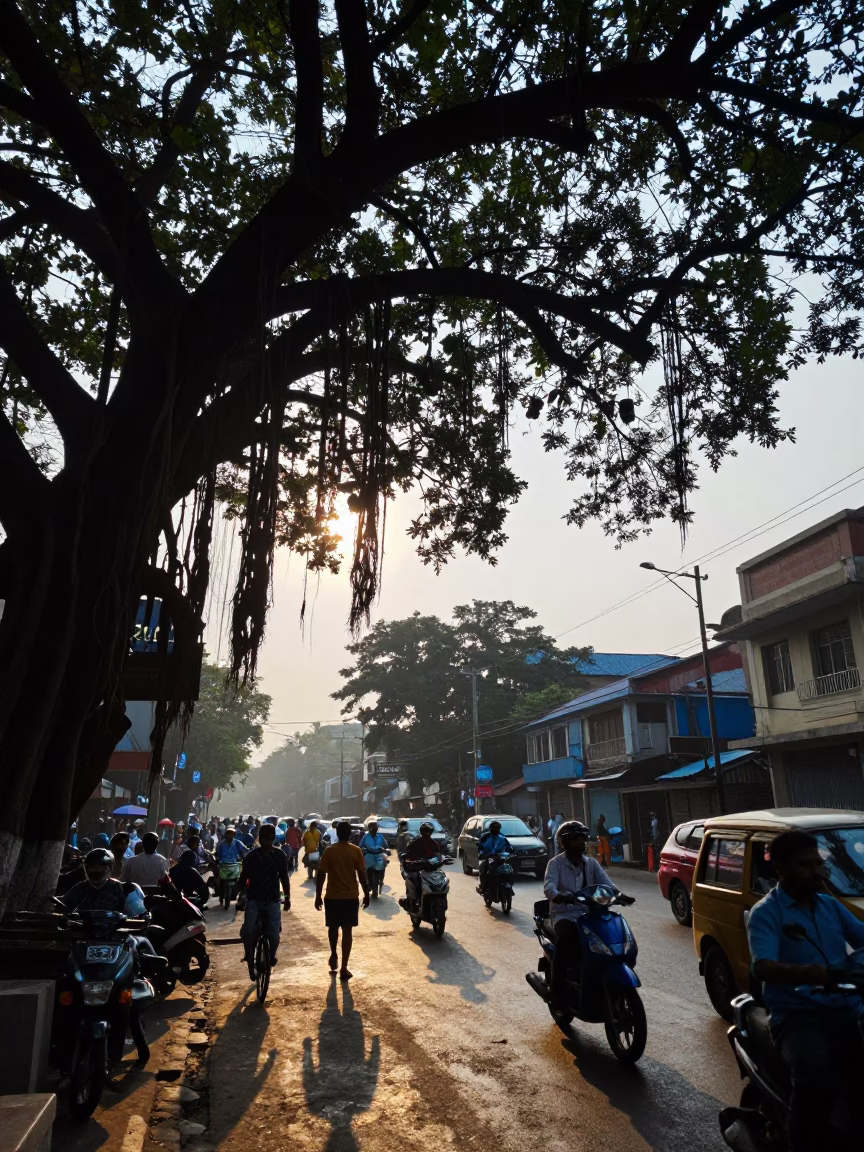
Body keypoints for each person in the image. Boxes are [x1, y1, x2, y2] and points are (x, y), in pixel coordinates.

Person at [747, 830, 864, 1152]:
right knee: (815, 1078)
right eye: (804, 865)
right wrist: (810, 973)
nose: (815, 871)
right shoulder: (766, 913)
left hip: (847, 1007)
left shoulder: (829, 905)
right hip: (798, 1015)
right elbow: (762, 966)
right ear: (780, 867)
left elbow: (861, 937)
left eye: (817, 863)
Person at [543, 820, 633, 1008]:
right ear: (565, 843)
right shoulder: (555, 864)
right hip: (564, 914)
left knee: (609, 936)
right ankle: (556, 991)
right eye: (575, 839)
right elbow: (549, 886)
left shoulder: (591, 864)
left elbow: (607, 884)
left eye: (581, 839)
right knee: (566, 937)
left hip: (589, 914)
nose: (580, 843)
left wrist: (620, 896)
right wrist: (559, 896)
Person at [315, 821, 369, 980]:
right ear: (350, 834)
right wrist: (366, 893)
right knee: (347, 931)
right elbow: (361, 874)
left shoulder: (329, 851)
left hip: (332, 896)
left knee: (333, 928)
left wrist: (318, 896)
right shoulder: (355, 851)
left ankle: (333, 954)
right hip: (350, 897)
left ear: (337, 834)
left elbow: (321, 874)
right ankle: (344, 967)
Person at [239, 823, 290, 980]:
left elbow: (284, 878)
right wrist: (240, 895)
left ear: (273, 839)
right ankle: (249, 956)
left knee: (274, 934)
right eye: (264, 839)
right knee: (248, 932)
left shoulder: (280, 855)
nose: (267, 842)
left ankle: (271, 956)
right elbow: (243, 878)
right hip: (254, 899)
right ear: (259, 839)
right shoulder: (251, 857)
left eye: (269, 839)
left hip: (273, 899)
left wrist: (287, 897)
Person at [61, 848, 128, 913]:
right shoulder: (80, 888)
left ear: (109, 868)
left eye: (99, 867)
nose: (94, 870)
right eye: (90, 867)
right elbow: (64, 907)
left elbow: (128, 913)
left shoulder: (118, 888)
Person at [478, 820, 513, 893]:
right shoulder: (485, 836)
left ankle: (509, 885)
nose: (495, 829)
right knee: (483, 867)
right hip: (489, 857)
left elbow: (508, 846)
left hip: (500, 858)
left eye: (497, 828)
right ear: (490, 828)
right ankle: (484, 887)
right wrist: (482, 854)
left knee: (509, 870)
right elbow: (481, 846)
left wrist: (511, 851)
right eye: (493, 828)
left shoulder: (502, 837)